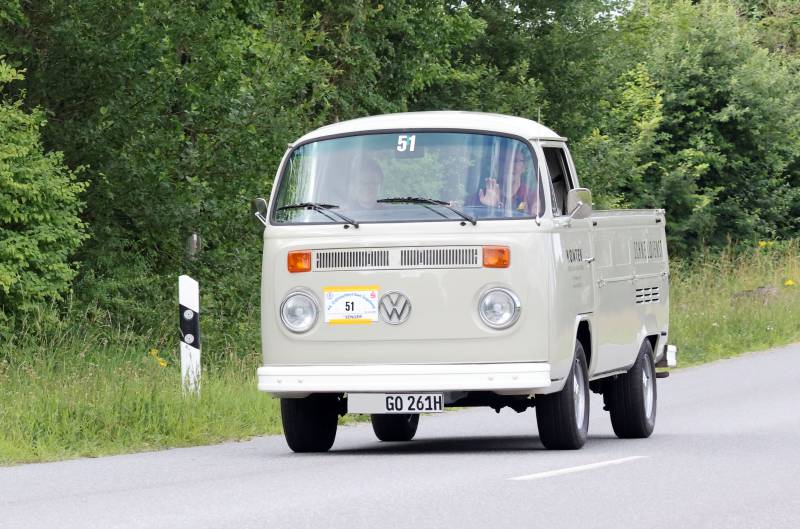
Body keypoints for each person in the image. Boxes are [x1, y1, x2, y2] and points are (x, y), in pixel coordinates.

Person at [467, 148, 539, 214]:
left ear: (524, 167)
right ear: (496, 166)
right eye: (503, 161)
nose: (509, 166)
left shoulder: (531, 197)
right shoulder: (481, 196)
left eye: (515, 161)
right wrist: (487, 208)